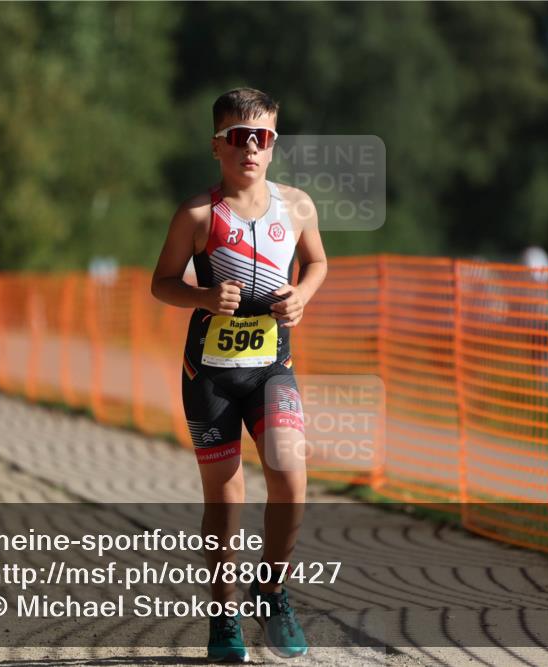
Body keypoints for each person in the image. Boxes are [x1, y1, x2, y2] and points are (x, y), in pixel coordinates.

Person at [151, 88, 327, 662]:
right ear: (217, 145)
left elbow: (318, 262)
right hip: (211, 375)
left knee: (291, 476)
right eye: (238, 136)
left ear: (274, 145)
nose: (251, 147)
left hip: (272, 368)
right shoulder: (198, 214)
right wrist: (202, 295)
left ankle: (272, 593)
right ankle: (223, 614)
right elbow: (162, 282)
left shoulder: (297, 207)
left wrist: (300, 295)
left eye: (264, 137)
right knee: (226, 500)